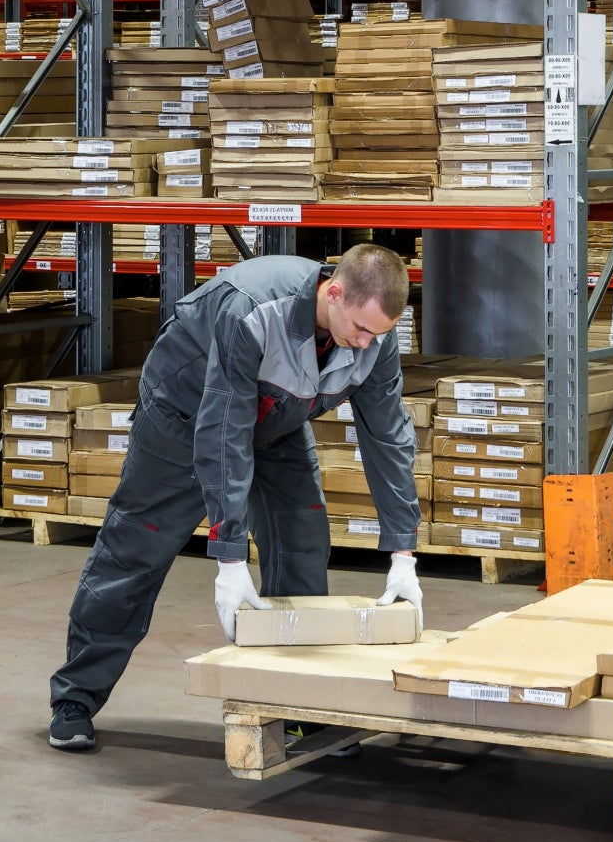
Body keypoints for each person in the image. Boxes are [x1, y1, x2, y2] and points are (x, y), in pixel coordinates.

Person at [48, 244, 424, 752]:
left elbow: (388, 438)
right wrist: (228, 556)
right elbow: (222, 430)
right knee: (136, 552)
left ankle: (298, 707)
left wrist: (403, 552)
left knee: (302, 543)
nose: (364, 343)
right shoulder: (251, 310)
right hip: (183, 419)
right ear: (333, 291)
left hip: (278, 420)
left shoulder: (373, 336)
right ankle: (75, 698)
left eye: (377, 334)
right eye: (360, 328)